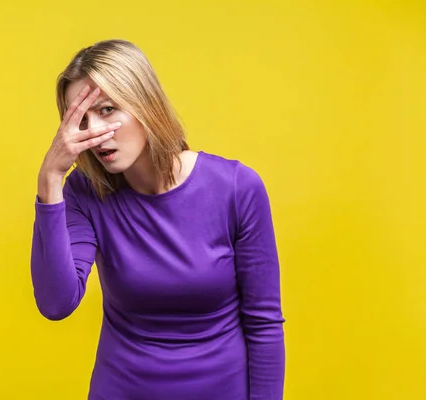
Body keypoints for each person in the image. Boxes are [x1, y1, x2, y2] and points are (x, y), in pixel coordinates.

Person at [31, 39, 285, 400]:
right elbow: (56, 303)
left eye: (107, 109)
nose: (95, 132)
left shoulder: (236, 188)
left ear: (146, 106)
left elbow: (264, 324)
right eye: (81, 119)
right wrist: (50, 181)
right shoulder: (85, 193)